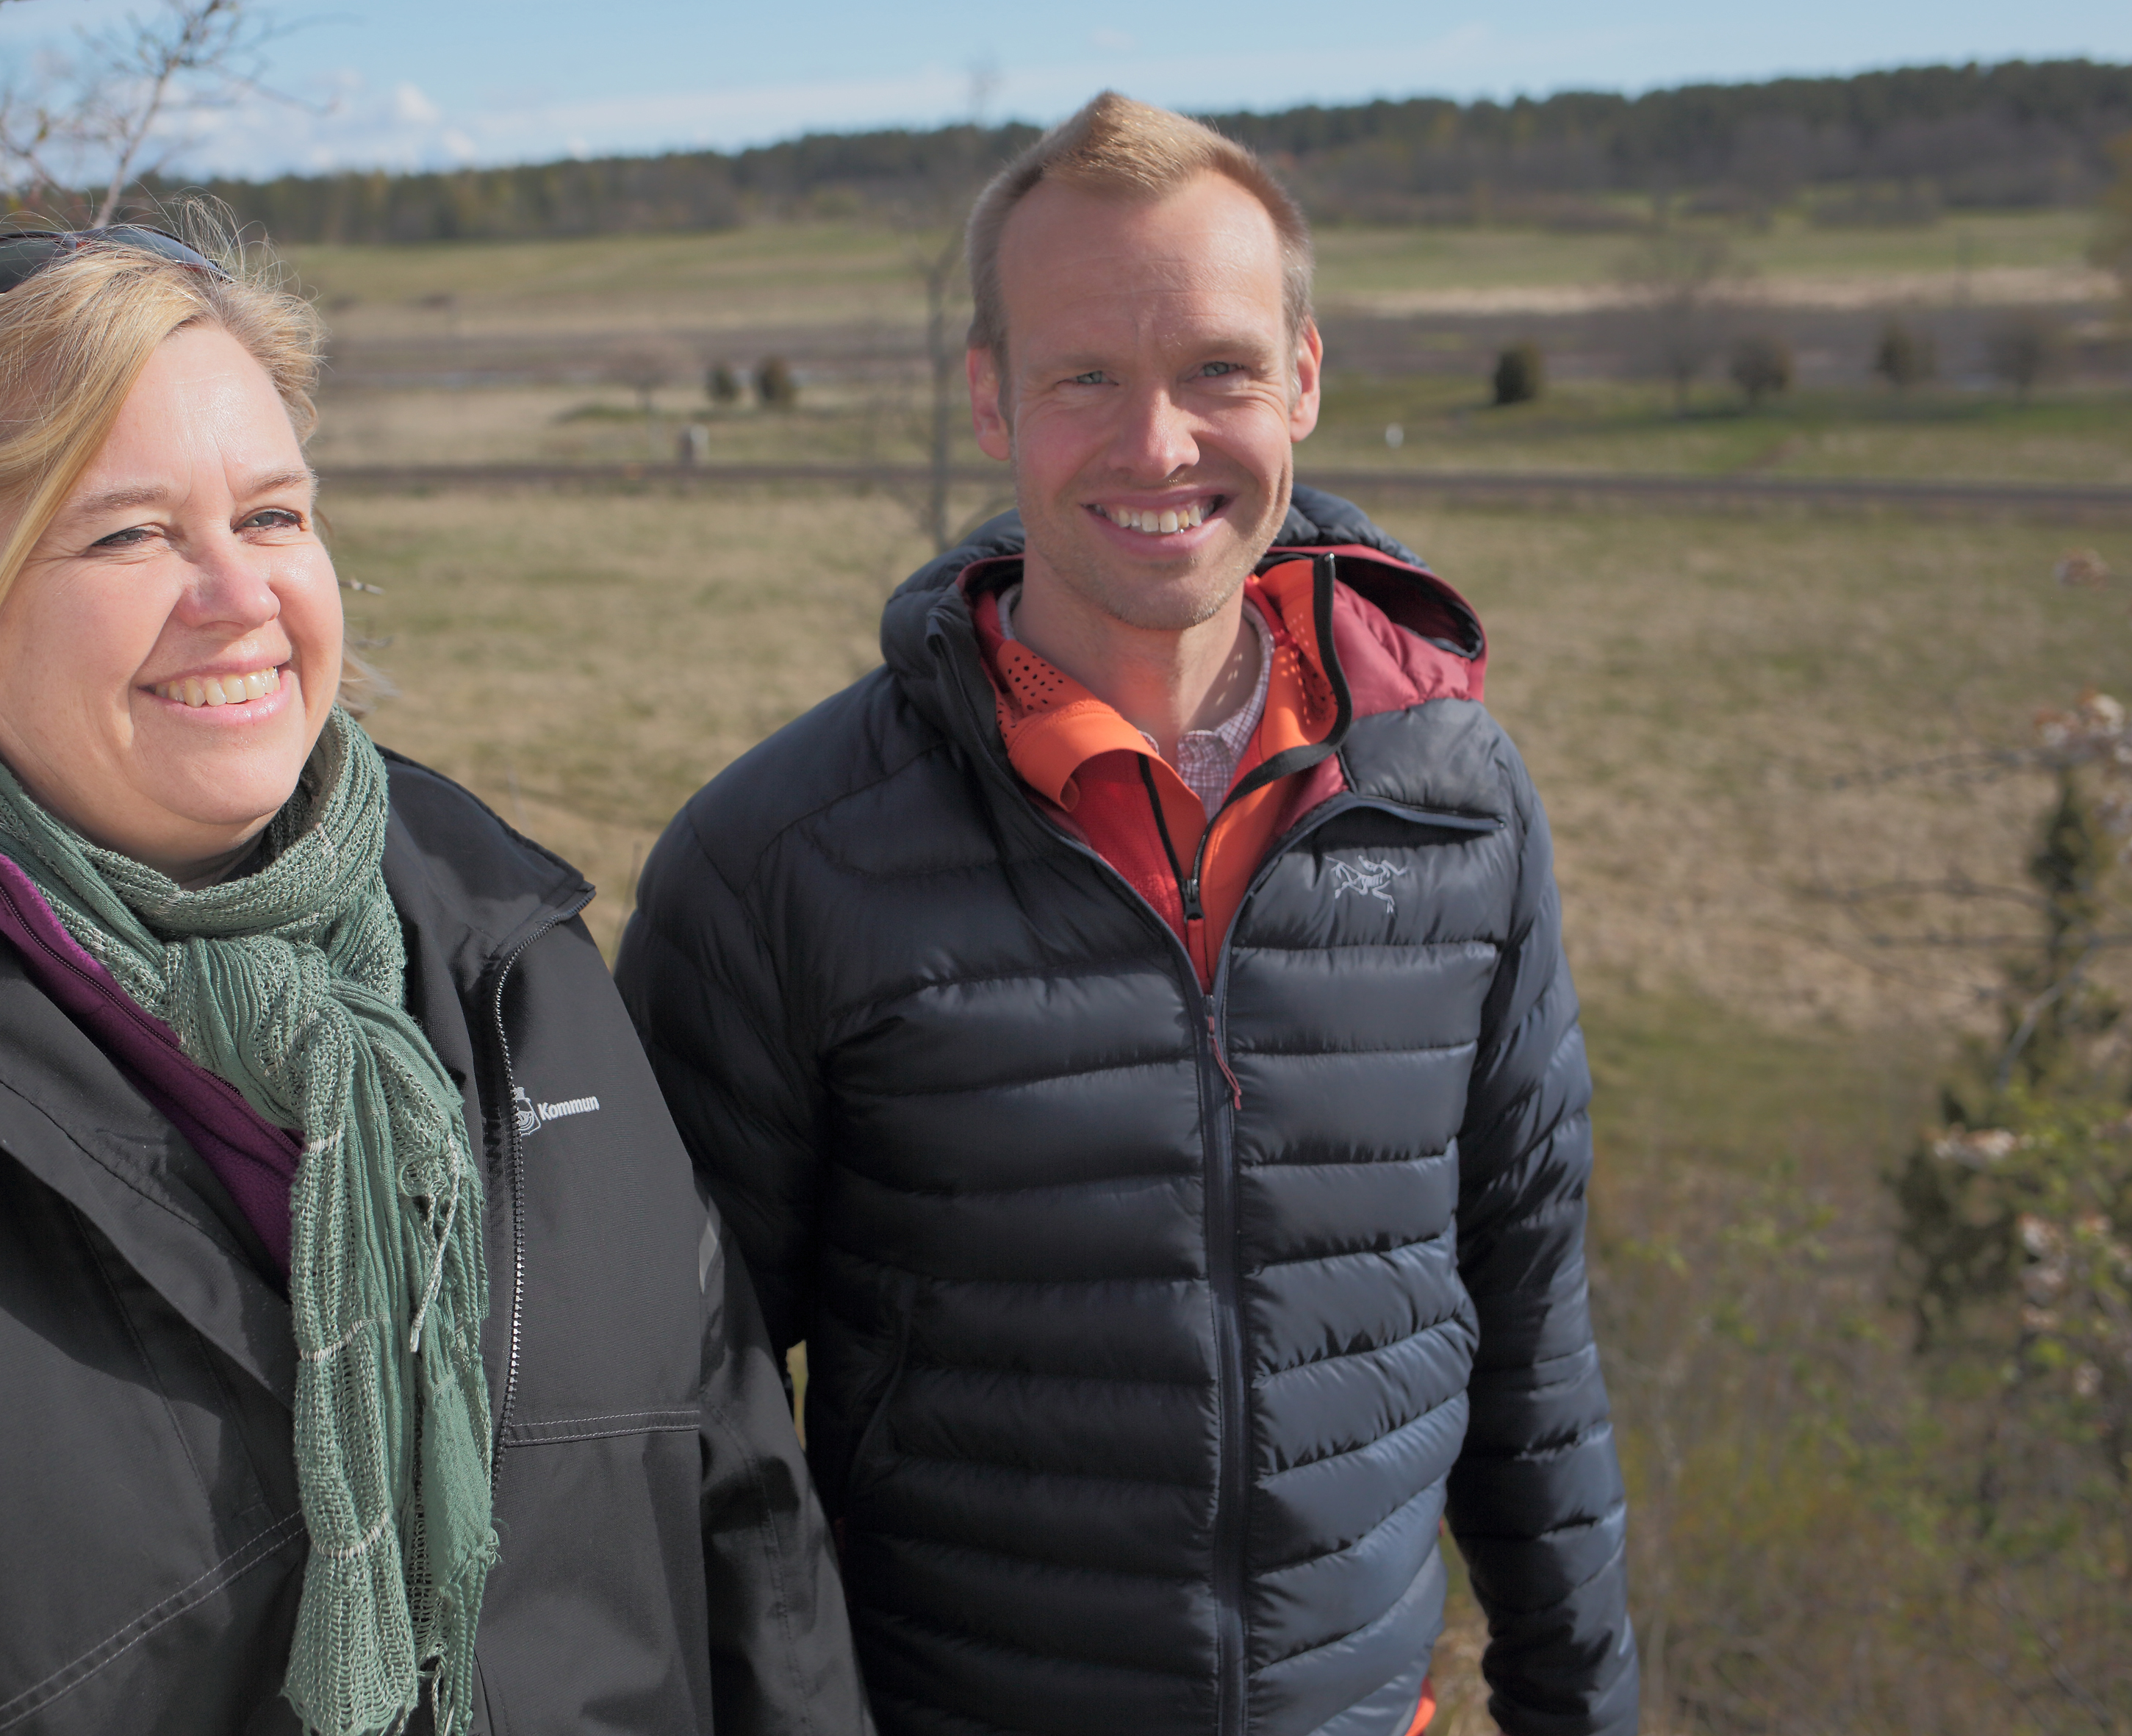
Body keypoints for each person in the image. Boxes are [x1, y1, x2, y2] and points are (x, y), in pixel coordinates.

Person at [0, 220, 865, 1736]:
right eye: (127, 533)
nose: (235, 594)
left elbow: (746, 1527)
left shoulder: (514, 964)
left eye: (272, 515)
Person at [617, 95, 1638, 1736]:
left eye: (1217, 371)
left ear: (1302, 376)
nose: (1157, 443)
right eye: (1084, 373)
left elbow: (1524, 1317)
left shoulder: (1454, 797)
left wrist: (1577, 1705)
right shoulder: (780, 860)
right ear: (986, 397)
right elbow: (679, 1425)